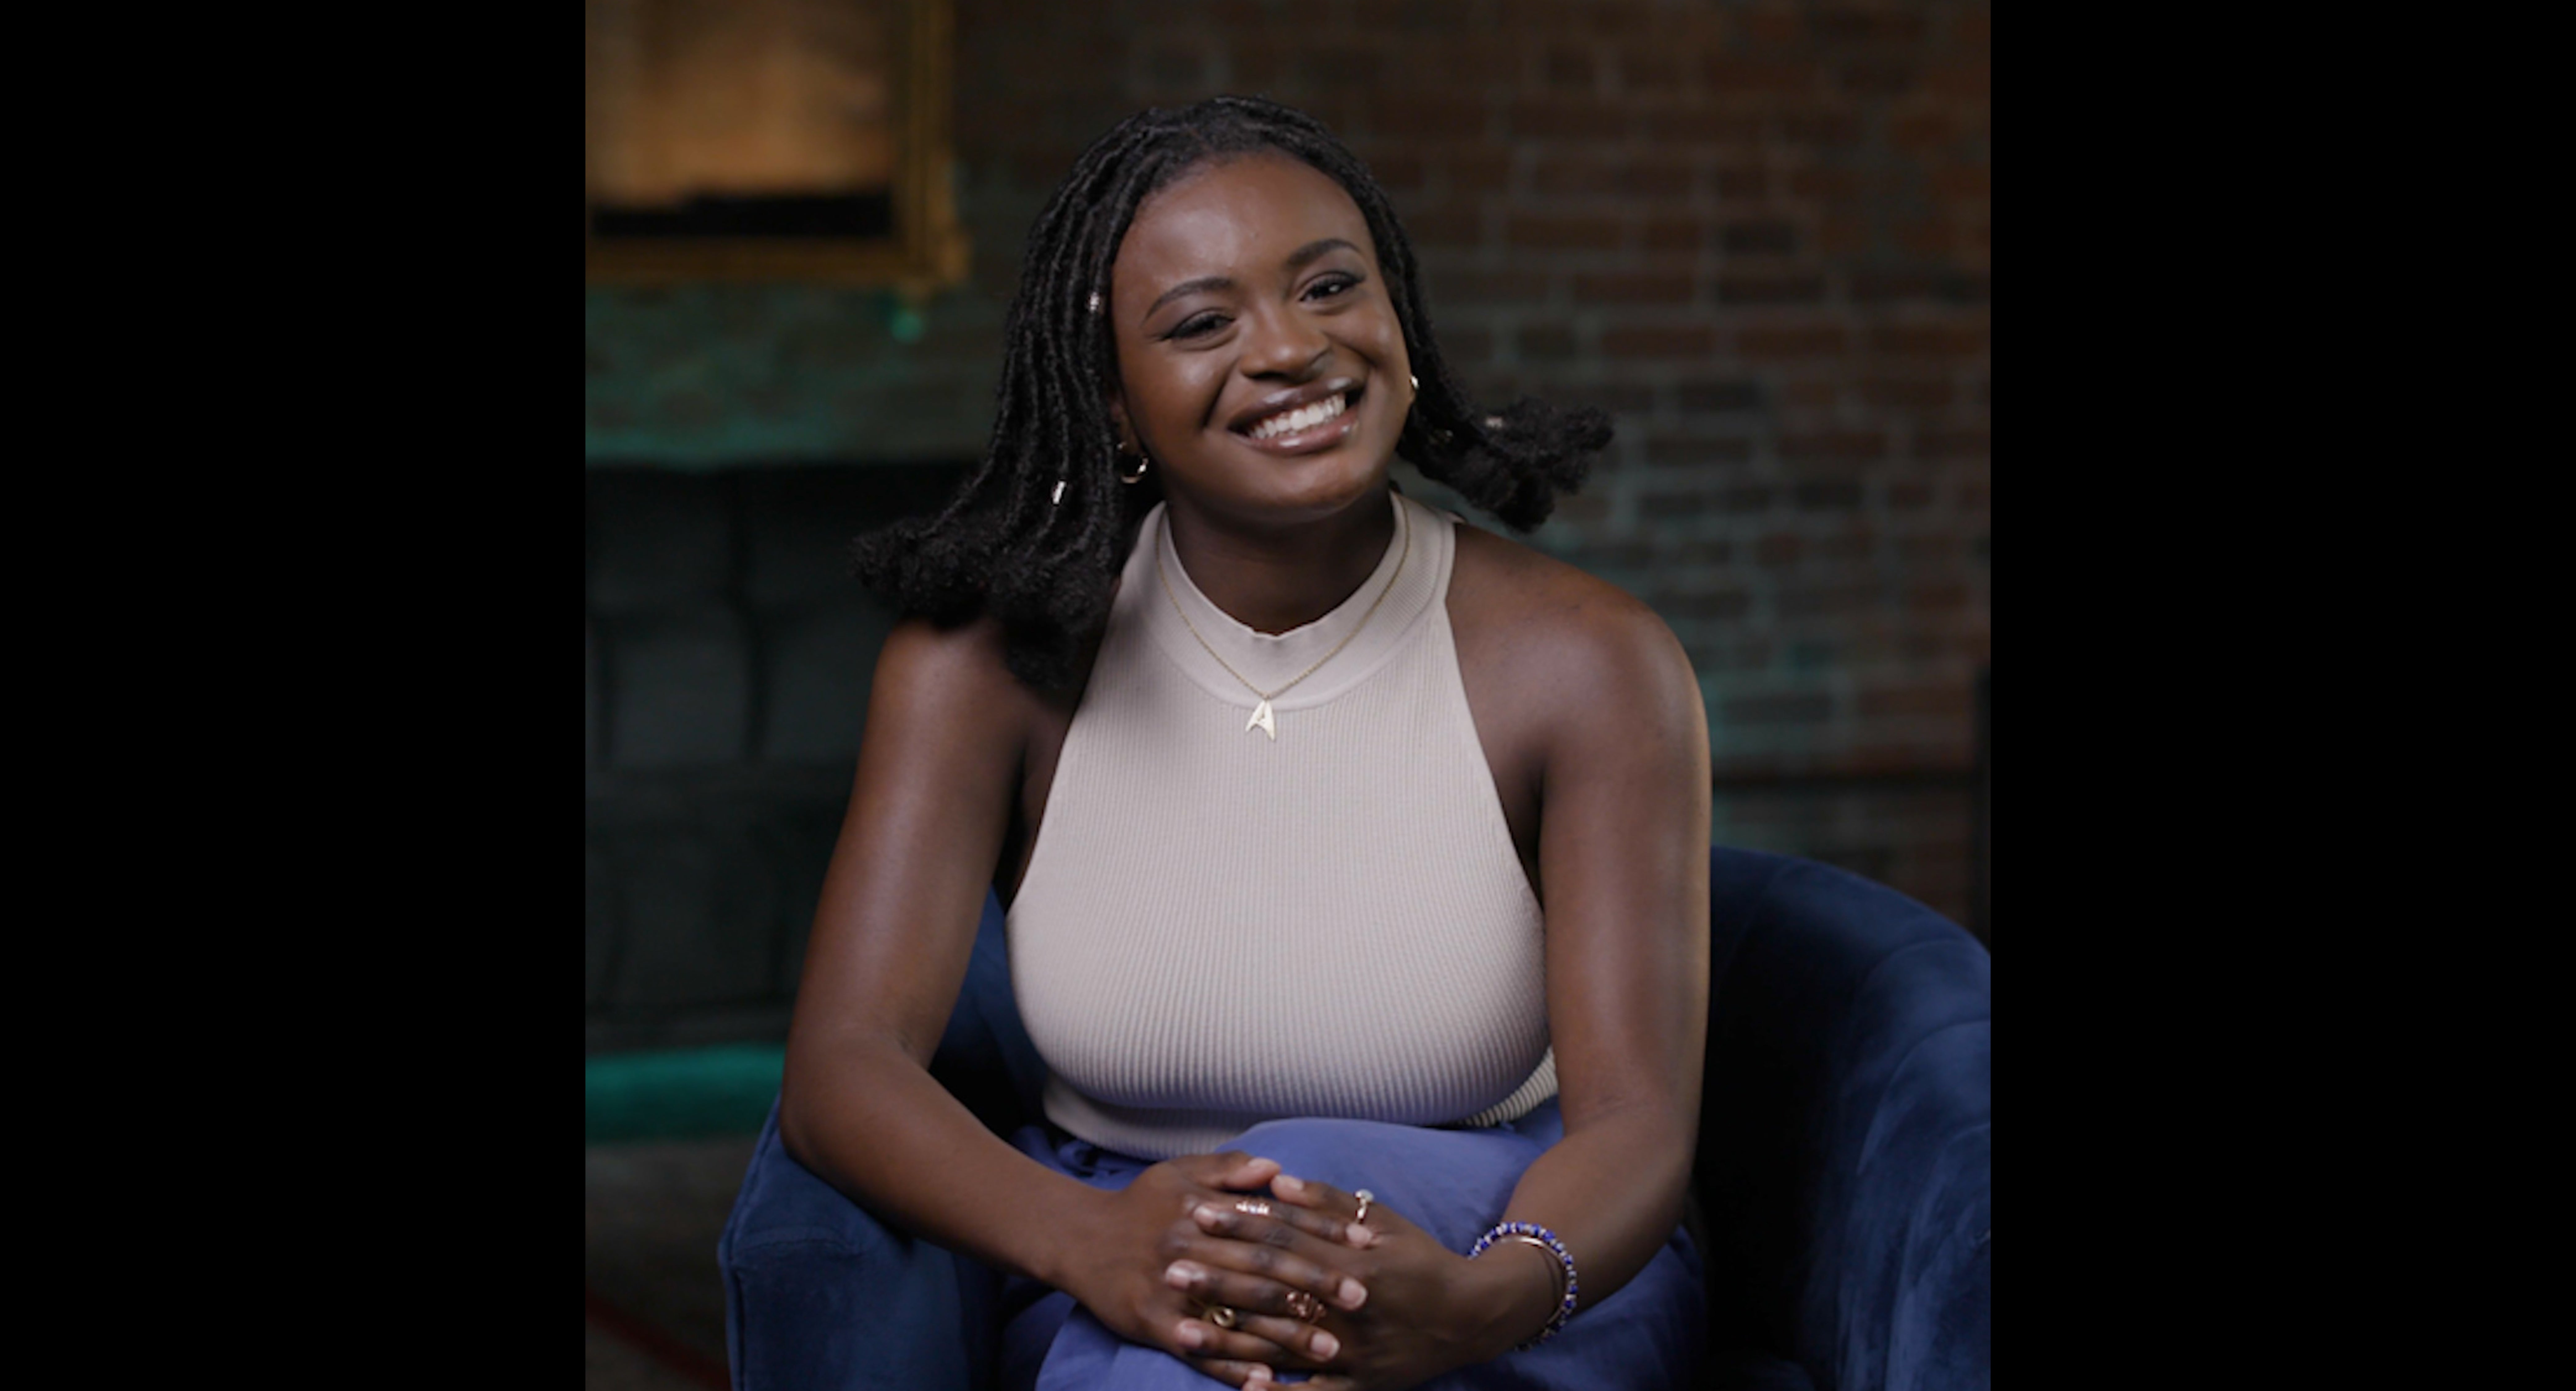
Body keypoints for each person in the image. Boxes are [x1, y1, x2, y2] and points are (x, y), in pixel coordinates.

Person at [765, 95, 1711, 1390]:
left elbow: (1635, 1120)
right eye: (1201, 323)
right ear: (1111, 400)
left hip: (1507, 1252)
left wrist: (1484, 1300)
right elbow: (841, 1069)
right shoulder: (979, 670)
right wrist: (1089, 1239)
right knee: (1213, 1299)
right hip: (1127, 1255)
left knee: (1248, 1267)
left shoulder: (1589, 663)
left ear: (1397, 315)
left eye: (1328, 287)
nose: (1290, 348)